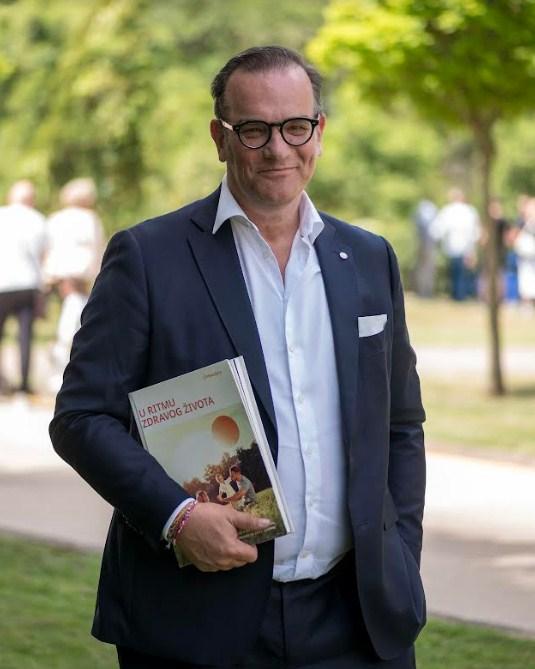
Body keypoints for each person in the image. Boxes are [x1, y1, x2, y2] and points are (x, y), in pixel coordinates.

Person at [50, 46, 426, 668]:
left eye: (295, 127)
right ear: (220, 137)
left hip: (357, 619)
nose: (278, 149)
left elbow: (400, 424)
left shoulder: (368, 258)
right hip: (196, 619)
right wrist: (176, 517)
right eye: (254, 130)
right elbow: (81, 418)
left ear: (319, 131)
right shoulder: (148, 257)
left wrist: (401, 552)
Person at [43, 177, 105, 391]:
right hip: (79, 277)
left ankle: (62, 371)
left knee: (69, 322)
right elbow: (97, 250)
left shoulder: (55, 219)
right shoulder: (90, 219)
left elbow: (48, 251)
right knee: (73, 324)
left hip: (60, 277)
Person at [0, 180, 46, 395]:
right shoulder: (38, 219)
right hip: (28, 283)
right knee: (25, 336)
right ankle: (24, 384)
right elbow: (43, 256)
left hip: (3, 282)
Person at [430, 187, 481, 300]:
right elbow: (475, 231)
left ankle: (457, 294)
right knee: (463, 272)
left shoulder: (448, 211)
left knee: (455, 272)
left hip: (453, 246)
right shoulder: (470, 211)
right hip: (466, 246)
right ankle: (462, 294)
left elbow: (438, 229)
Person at [412, 198, 438, 298]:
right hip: (426, 245)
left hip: (425, 245)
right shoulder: (427, 214)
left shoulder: (420, 214)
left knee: (426, 269)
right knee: (426, 269)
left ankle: (425, 291)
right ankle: (425, 292)